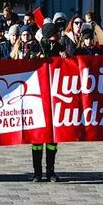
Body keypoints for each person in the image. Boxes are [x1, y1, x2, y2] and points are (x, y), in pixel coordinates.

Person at [32, 22, 64, 182]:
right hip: (37, 100)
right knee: (37, 140)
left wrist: (65, 58)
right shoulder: (35, 48)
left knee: (52, 140)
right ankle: (37, 172)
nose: (56, 38)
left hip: (54, 99)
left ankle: (50, 171)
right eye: (53, 35)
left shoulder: (59, 48)